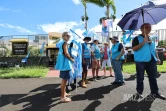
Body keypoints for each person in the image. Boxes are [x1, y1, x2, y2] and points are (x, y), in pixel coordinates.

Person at [132, 23, 166, 99]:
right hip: (141, 61)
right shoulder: (137, 38)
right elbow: (134, 48)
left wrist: (157, 58)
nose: (148, 29)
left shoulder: (151, 38)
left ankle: (155, 92)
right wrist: (144, 42)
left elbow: (153, 50)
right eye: (146, 27)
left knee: (153, 77)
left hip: (151, 61)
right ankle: (139, 92)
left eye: (150, 27)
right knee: (140, 77)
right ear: (141, 29)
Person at [55, 32, 74, 102]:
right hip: (66, 65)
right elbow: (66, 53)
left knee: (64, 80)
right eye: (67, 36)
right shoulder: (65, 43)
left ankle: (64, 93)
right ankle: (63, 97)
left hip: (63, 64)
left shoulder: (61, 43)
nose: (69, 37)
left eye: (69, 36)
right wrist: (72, 59)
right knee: (64, 80)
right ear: (63, 36)